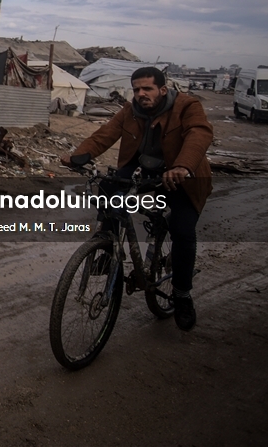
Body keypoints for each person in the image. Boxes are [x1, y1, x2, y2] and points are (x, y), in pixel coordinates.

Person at [61, 67, 213, 331]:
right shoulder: (131, 110)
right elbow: (105, 134)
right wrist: (79, 155)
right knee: (109, 189)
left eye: (147, 89)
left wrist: (183, 166)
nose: (141, 94)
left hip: (182, 176)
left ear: (162, 90)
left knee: (182, 230)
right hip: (147, 169)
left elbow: (199, 135)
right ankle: (107, 248)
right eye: (137, 89)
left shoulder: (187, 106)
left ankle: (182, 294)